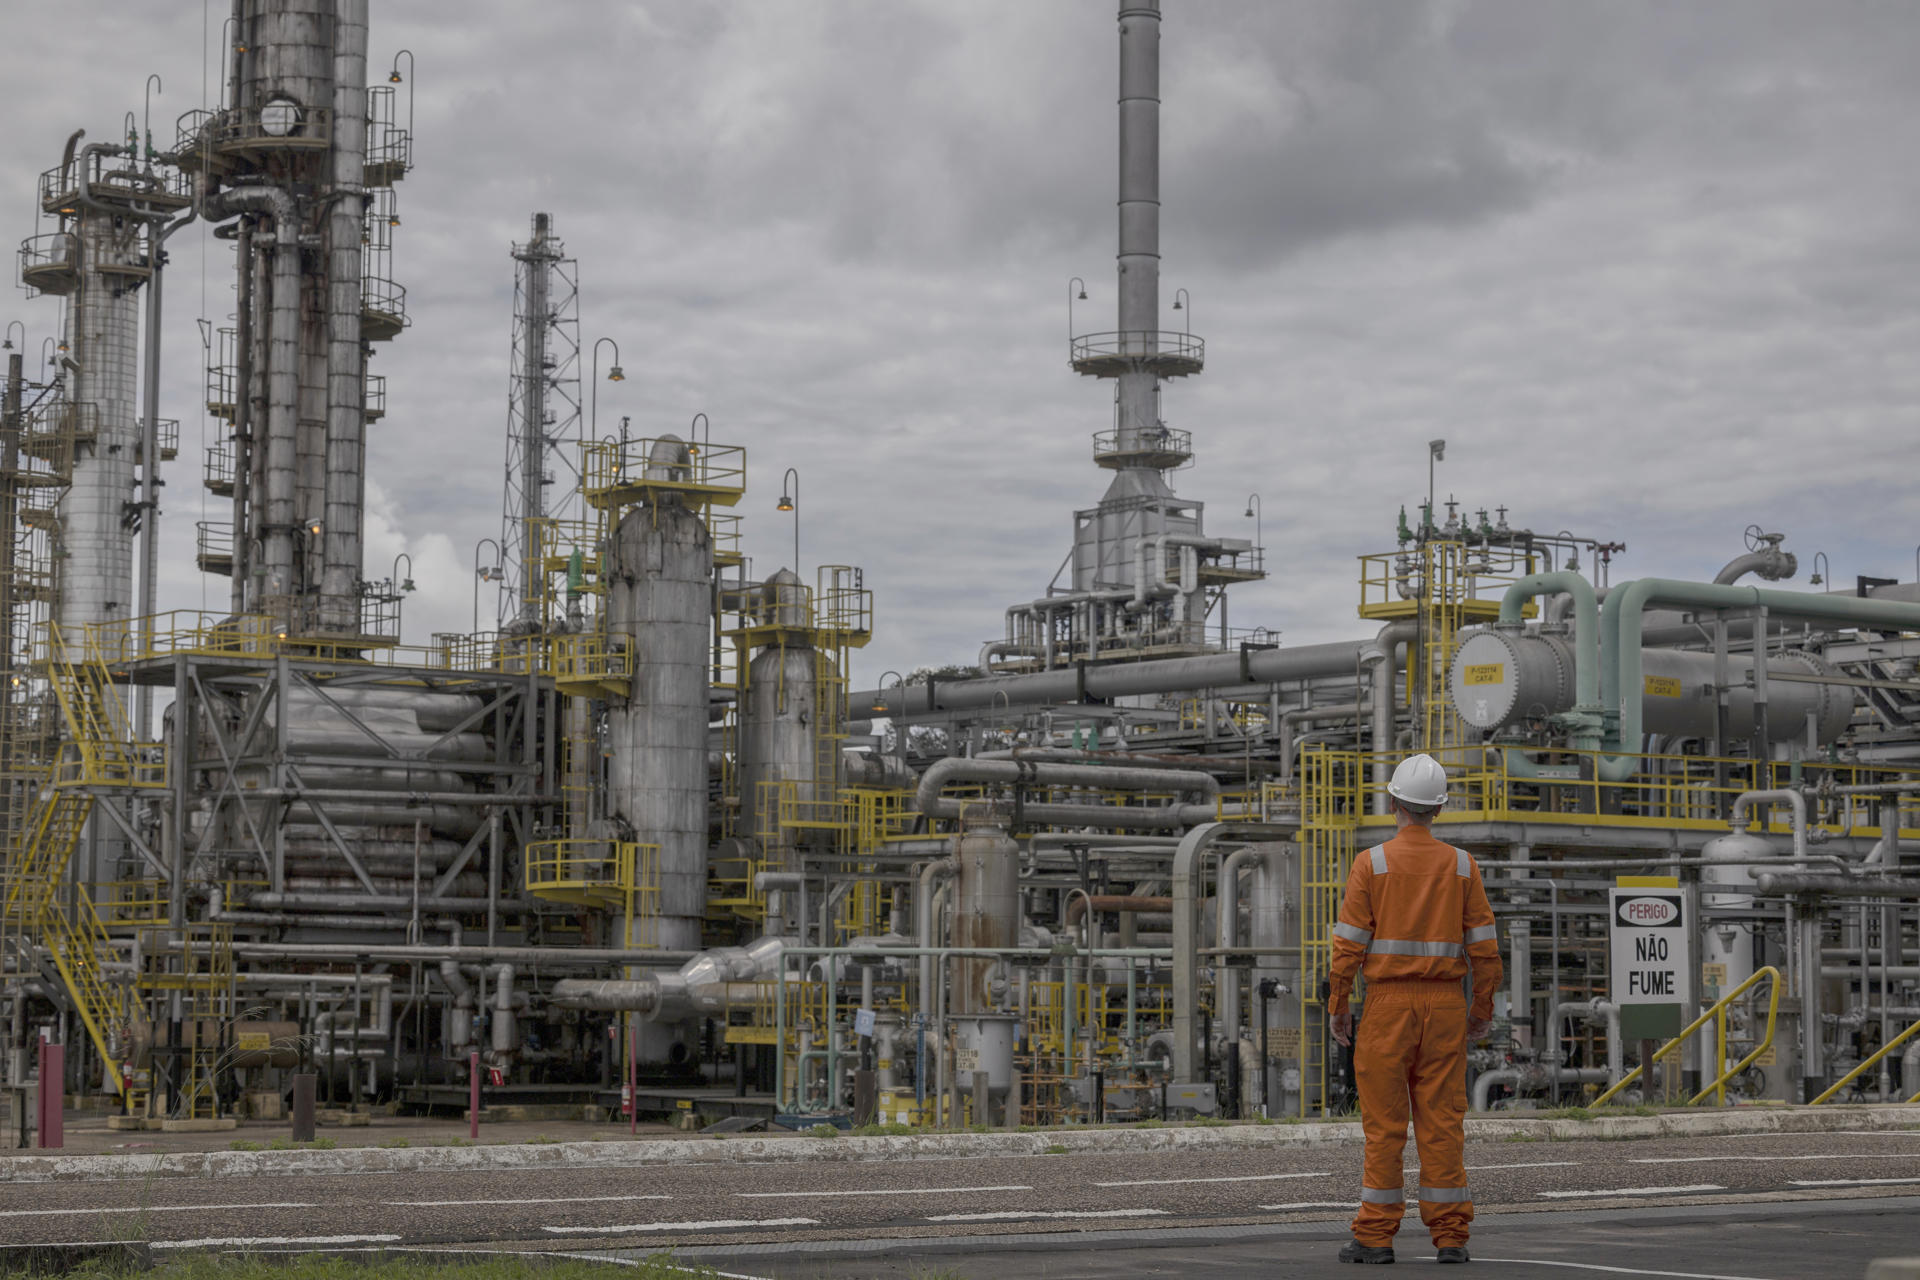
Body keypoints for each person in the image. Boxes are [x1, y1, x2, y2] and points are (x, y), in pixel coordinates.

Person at [1329, 753, 1502, 1265]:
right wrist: (1481, 1009)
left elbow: (1348, 948)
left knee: (1384, 1126)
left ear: (1393, 803)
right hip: (1447, 1007)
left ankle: (1375, 1236)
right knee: (1442, 1122)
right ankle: (1451, 1236)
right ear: (1438, 810)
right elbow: (1486, 950)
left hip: (1387, 1008)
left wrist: (1339, 1005)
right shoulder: (1462, 866)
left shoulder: (1372, 863)